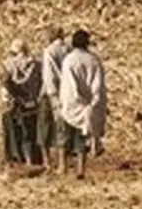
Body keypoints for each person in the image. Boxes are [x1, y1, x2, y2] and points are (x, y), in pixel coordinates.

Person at [58, 28, 107, 179]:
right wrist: (94, 102)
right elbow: (98, 84)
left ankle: (63, 167)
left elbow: (68, 84)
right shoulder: (94, 60)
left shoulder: (69, 60)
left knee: (65, 136)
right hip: (88, 105)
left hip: (71, 104)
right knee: (82, 138)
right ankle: (80, 169)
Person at [1, 38, 43, 170]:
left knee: (13, 133)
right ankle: (32, 159)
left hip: (12, 104)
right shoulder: (36, 65)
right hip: (31, 104)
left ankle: (15, 159)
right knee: (30, 133)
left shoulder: (8, 65)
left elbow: (5, 83)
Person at [38, 25, 68, 173]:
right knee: (62, 128)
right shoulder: (69, 50)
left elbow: (49, 76)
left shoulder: (49, 51)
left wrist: (51, 95)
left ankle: (47, 162)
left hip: (50, 93)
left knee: (44, 127)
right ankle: (63, 163)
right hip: (67, 92)